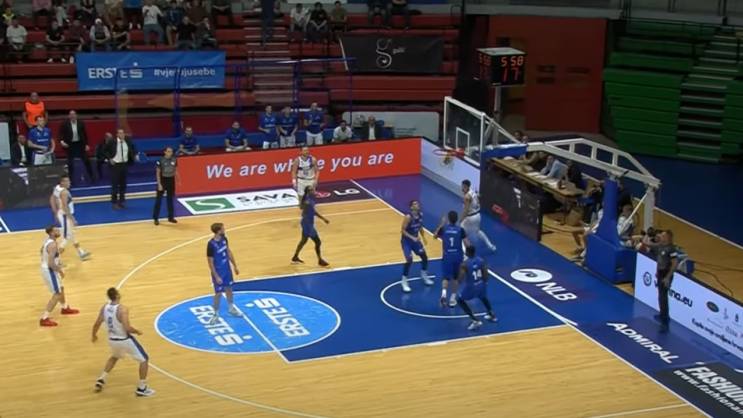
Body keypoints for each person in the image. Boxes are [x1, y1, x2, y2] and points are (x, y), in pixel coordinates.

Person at [91, 287, 155, 397]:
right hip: (124, 340)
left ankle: (101, 379)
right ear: (117, 296)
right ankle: (142, 388)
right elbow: (127, 328)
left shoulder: (104, 307)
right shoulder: (122, 309)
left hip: (112, 340)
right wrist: (137, 331)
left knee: (114, 357)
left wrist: (94, 335)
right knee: (144, 360)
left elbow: (97, 323)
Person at [39, 225, 80, 327]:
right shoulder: (52, 245)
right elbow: (51, 263)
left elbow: (41, 251)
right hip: (50, 270)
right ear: (51, 233)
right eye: (56, 230)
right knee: (57, 294)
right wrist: (60, 271)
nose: (59, 231)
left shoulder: (48, 240)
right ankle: (44, 318)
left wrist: (55, 255)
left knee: (61, 288)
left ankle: (64, 307)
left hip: (49, 269)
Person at [206, 222, 242, 325]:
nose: (224, 230)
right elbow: (210, 262)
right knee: (218, 293)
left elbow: (228, 252)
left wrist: (235, 266)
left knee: (229, 289)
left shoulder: (224, 239)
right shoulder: (211, 245)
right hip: (218, 272)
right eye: (223, 229)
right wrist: (216, 276)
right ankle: (215, 314)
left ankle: (231, 308)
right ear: (218, 231)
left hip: (227, 270)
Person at [50, 175, 92, 260]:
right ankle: (54, 258)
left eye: (69, 181)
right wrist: (72, 219)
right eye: (67, 181)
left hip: (61, 214)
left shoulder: (57, 188)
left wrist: (55, 212)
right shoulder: (64, 192)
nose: (69, 183)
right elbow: (65, 207)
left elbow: (52, 199)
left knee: (72, 235)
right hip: (65, 216)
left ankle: (81, 252)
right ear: (62, 182)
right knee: (66, 238)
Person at [456, 246, 497, 331]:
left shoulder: (464, 264)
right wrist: (484, 283)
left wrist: (457, 278)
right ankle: (492, 315)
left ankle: (475, 320)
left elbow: (460, 279)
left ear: (467, 253)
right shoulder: (481, 260)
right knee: (483, 297)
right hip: (481, 284)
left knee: (459, 300)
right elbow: (485, 274)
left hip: (471, 287)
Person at [434, 211, 469, 308]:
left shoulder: (444, 229)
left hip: (447, 256)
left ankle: (443, 295)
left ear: (448, 219)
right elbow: (467, 244)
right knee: (456, 278)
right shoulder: (460, 230)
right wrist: (470, 254)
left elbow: (435, 236)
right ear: (456, 219)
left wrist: (441, 224)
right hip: (458, 256)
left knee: (446, 278)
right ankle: (452, 299)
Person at [291, 185, 330, 266]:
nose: (313, 191)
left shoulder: (310, 199)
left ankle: (295, 257)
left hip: (308, 223)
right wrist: (303, 203)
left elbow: (313, 211)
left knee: (303, 241)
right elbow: (302, 208)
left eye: (313, 189)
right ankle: (320, 260)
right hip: (307, 224)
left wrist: (323, 218)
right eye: (311, 190)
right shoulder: (307, 201)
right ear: (308, 192)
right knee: (318, 242)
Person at [400, 200, 432, 293]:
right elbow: (402, 230)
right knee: (409, 259)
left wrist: (424, 237)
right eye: (415, 204)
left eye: (418, 203)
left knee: (424, 257)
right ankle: (404, 281)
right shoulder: (408, 217)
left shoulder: (420, 215)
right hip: (406, 241)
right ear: (411, 207)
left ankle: (424, 275)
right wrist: (412, 238)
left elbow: (420, 227)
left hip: (415, 241)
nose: (417, 205)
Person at [650, 230, 678, 332]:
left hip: (666, 274)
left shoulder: (671, 249)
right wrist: (657, 271)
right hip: (661, 273)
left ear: (668, 238)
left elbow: (675, 263)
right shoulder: (660, 246)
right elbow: (659, 260)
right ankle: (662, 314)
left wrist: (667, 277)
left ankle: (665, 319)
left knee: (663, 296)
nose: (661, 237)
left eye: (663, 236)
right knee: (661, 295)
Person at [460, 179, 497, 252]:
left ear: (466, 186)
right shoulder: (472, 191)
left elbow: (466, 210)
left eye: (463, 186)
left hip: (470, 217)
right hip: (478, 216)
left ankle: (464, 252)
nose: (462, 188)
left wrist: (461, 219)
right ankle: (491, 246)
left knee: (461, 232)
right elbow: (478, 196)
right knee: (478, 231)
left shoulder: (467, 197)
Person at [105, 128, 136, 209]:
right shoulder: (112, 142)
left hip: (124, 165)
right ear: (117, 134)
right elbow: (105, 151)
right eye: (120, 133)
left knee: (123, 184)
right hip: (115, 165)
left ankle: (122, 201)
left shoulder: (128, 141)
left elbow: (133, 148)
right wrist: (110, 159)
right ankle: (114, 202)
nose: (122, 135)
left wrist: (135, 155)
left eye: (123, 133)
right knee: (115, 185)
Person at [60, 110, 95, 183]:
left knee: (86, 161)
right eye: (71, 115)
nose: (72, 116)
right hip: (70, 145)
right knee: (70, 163)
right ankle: (70, 180)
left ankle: (92, 177)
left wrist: (86, 144)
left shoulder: (81, 123)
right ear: (69, 116)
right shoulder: (65, 124)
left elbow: (84, 134)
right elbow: (61, 134)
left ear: (76, 115)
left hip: (80, 144)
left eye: (74, 114)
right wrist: (62, 141)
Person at [152, 146, 178, 225]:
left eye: (171, 151)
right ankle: (156, 218)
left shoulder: (174, 159)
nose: (171, 153)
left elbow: (175, 170)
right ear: (165, 152)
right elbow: (157, 173)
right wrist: (159, 184)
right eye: (169, 151)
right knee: (158, 200)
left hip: (171, 180)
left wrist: (178, 180)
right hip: (163, 180)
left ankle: (171, 217)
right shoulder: (160, 160)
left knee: (170, 200)